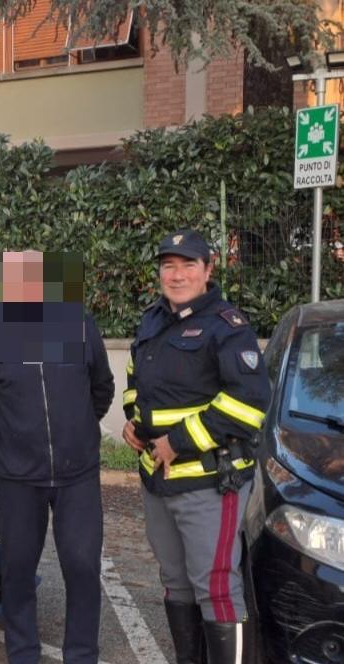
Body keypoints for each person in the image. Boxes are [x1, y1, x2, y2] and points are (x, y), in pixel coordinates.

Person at [122, 229, 270, 664]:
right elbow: (137, 383)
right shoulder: (152, 320)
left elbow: (247, 403)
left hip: (210, 481)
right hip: (158, 480)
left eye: (188, 264)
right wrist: (136, 423)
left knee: (216, 585)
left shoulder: (227, 326)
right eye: (169, 265)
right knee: (176, 581)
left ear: (208, 269)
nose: (177, 274)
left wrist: (176, 441)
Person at [0, 250, 115, 664]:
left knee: (83, 568)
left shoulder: (80, 326)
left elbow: (101, 389)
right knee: (17, 571)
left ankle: (81, 655)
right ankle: (22, 654)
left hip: (78, 475)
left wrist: (78, 430)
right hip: (19, 477)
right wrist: (19, 438)